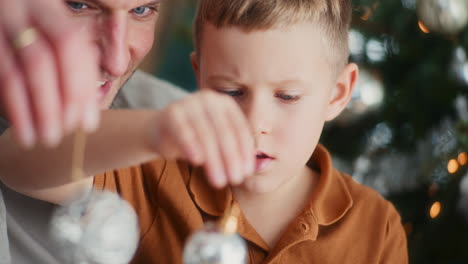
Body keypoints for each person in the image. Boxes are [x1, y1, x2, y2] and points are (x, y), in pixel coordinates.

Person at [1, 0, 409, 263]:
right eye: (230, 92)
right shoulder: (154, 169)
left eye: (287, 97)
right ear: (199, 77)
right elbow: (17, 157)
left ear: (338, 93)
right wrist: (152, 132)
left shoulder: (376, 226)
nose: (254, 123)